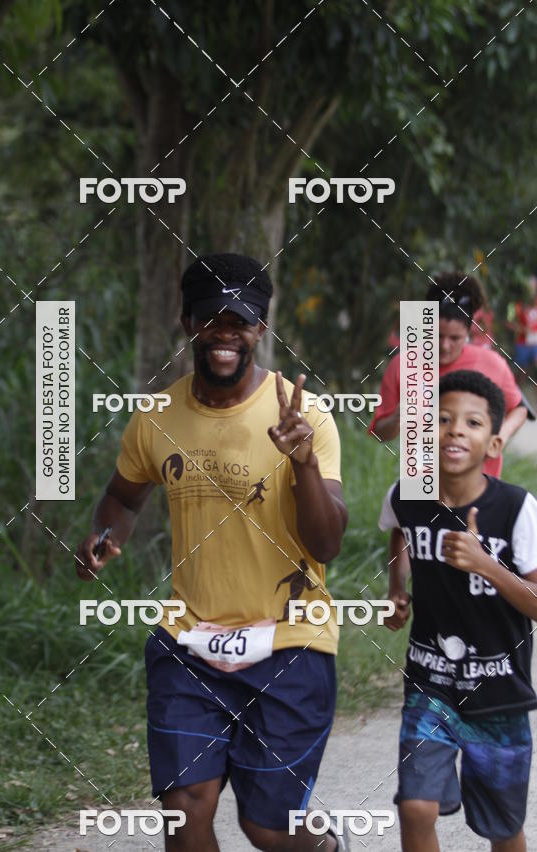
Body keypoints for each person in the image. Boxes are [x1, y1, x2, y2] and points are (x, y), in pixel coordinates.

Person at [76, 253, 350, 851]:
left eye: (239, 322)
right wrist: (105, 534)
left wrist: (303, 463)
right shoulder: (156, 417)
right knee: (184, 810)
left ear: (261, 328)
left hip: (289, 643)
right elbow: (122, 497)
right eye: (211, 320)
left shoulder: (306, 417)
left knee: (268, 828)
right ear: (187, 323)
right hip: (190, 641)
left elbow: (327, 542)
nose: (224, 334)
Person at [380, 370, 537, 852]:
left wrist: (486, 565)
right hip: (430, 684)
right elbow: (399, 533)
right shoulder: (406, 494)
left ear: (494, 443)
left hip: (499, 694)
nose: (454, 431)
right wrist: (397, 589)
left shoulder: (516, 508)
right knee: (415, 806)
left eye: (472, 422)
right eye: (442, 420)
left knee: (502, 828)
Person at [369, 271, 527, 476]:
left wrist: (499, 438)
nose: (444, 346)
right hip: (424, 482)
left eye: (455, 338)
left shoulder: (492, 364)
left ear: (468, 332)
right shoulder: (403, 365)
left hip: (480, 484)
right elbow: (380, 433)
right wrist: (397, 418)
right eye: (437, 336)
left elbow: (519, 409)